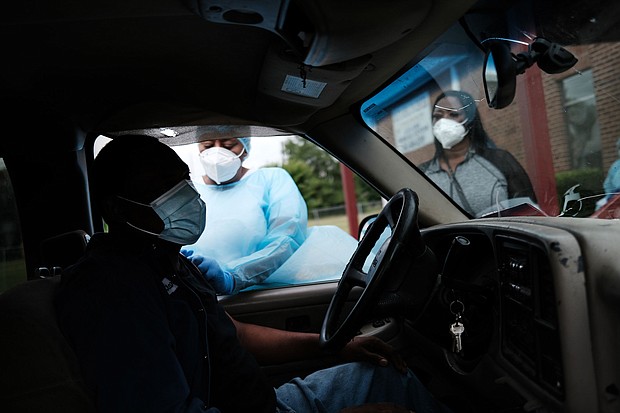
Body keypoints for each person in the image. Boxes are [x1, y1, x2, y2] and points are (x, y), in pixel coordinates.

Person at [54, 134, 451, 413]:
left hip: (268, 403)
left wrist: (333, 346)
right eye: (162, 188)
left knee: (389, 376)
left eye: (182, 181)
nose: (185, 196)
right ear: (118, 210)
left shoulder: (164, 257)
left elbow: (235, 334)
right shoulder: (113, 290)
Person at [181, 136, 308, 294]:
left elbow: (286, 239)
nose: (216, 153)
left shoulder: (271, 180)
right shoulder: (186, 190)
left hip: (259, 294)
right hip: (196, 296)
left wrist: (234, 277)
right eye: (208, 146)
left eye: (228, 145)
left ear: (245, 148)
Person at [419, 90, 537, 217]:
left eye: (453, 114)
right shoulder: (422, 174)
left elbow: (530, 213)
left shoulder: (500, 160)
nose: (443, 122)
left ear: (470, 120)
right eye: (437, 116)